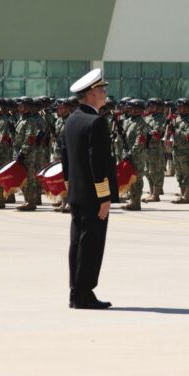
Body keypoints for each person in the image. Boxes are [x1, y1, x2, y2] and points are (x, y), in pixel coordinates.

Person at [62, 68, 118, 309]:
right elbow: (99, 163)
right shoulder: (96, 122)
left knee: (77, 243)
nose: (105, 93)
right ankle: (84, 293)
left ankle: (76, 291)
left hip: (77, 193)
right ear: (92, 94)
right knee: (91, 245)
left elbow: (65, 159)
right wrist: (104, 197)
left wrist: (69, 187)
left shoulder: (72, 119)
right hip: (93, 196)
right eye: (102, 90)